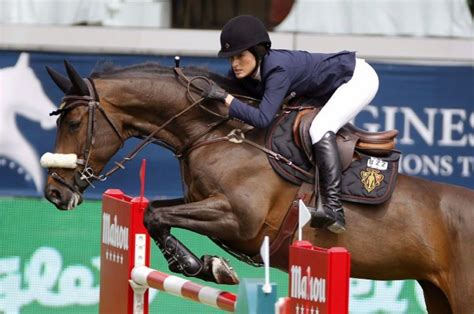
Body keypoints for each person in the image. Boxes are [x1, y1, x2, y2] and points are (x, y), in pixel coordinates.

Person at [201, 15, 379, 234]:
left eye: (240, 56)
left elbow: (262, 118)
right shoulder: (246, 72)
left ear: (258, 51)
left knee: (320, 128)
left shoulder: (277, 70)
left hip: (357, 79)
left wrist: (226, 99)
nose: (235, 64)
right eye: (231, 58)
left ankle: (333, 208)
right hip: (330, 86)